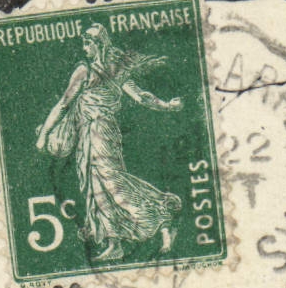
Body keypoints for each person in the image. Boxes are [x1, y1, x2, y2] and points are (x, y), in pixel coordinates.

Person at [35, 24, 184, 261]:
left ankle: (160, 217)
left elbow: (64, 104)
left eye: (88, 44)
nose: (85, 49)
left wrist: (44, 135)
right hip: (93, 133)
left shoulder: (94, 71)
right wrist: (166, 105)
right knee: (97, 185)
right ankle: (114, 242)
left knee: (110, 182)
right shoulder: (103, 71)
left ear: (100, 44)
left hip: (101, 132)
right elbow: (66, 103)